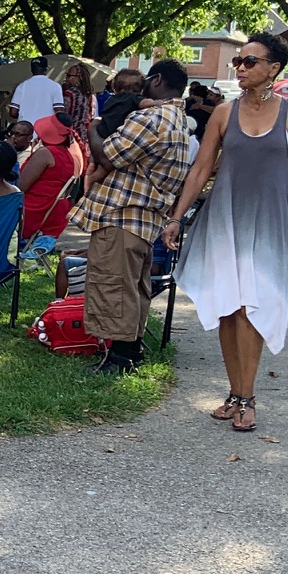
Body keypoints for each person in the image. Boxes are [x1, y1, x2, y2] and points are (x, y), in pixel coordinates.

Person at [164, 33, 288, 429]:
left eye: (249, 61)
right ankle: (235, 392)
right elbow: (201, 168)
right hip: (225, 217)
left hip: (272, 218)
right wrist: (175, 216)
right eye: (237, 60)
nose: (239, 67)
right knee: (227, 307)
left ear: (274, 68)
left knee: (252, 306)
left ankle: (246, 396)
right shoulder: (223, 112)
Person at [80, 59, 193, 375]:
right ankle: (130, 351)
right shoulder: (180, 121)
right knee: (133, 287)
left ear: (155, 81)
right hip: (147, 218)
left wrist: (91, 128)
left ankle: (118, 360)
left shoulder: (149, 117)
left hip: (123, 214)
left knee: (113, 284)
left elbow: (107, 154)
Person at [18, 112, 83, 245]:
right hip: (51, 214)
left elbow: (20, 186)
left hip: (33, 212)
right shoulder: (67, 155)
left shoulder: (46, 153)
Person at [10, 56, 64, 125]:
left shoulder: (22, 86)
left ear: (31, 69)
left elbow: (13, 112)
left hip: (25, 130)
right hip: (46, 129)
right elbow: (59, 112)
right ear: (46, 69)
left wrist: (24, 116)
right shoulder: (55, 86)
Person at [59, 59, 95, 142]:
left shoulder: (69, 94)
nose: (66, 78)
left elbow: (62, 116)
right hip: (83, 135)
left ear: (79, 78)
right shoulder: (89, 96)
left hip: (70, 136)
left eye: (69, 75)